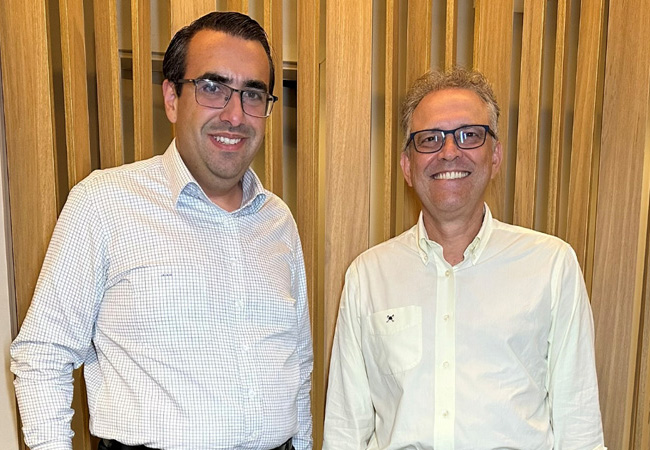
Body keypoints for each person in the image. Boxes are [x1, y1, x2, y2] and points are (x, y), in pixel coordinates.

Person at [11, 11, 312, 450]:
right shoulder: (104, 202)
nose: (235, 115)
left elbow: (299, 365)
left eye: (252, 94)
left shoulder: (278, 220)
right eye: (212, 88)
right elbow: (42, 354)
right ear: (172, 98)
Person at [322, 67, 605, 449]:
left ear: (495, 156)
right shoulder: (368, 276)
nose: (449, 152)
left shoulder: (551, 265)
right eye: (430, 139)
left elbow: (579, 428)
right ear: (407, 166)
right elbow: (345, 431)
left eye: (469, 135)